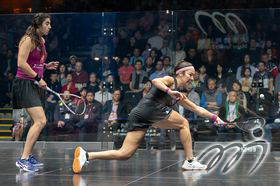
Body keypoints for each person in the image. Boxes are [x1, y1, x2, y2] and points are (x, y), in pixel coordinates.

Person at [72, 61, 224, 173]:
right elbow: (155, 81)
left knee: (125, 153)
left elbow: (197, 109)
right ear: (180, 73)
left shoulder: (180, 94)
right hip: (150, 111)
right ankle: (190, 161)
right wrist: (170, 91)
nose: (192, 78)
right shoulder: (172, 81)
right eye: (190, 74)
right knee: (183, 123)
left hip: (140, 115)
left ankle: (86, 155)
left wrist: (215, 118)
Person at [13, 13, 59, 172]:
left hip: (34, 85)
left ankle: (29, 155)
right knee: (41, 120)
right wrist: (39, 77)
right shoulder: (28, 40)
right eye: (47, 23)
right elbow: (21, 63)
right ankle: (23, 159)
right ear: (38, 25)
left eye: (50, 23)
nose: (50, 26)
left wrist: (45, 66)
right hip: (24, 84)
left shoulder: (41, 41)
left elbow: (34, 61)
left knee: (36, 122)